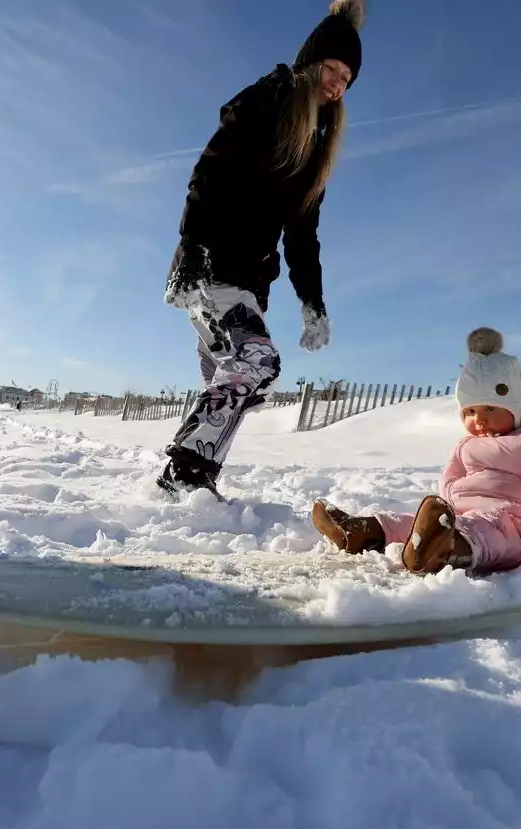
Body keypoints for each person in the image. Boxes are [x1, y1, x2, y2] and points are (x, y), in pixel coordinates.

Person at [156, 0, 365, 499]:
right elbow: (208, 175)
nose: (337, 83)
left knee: (236, 382)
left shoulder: (316, 149)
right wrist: (192, 252)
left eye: (347, 78)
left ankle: (191, 489)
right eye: (332, 68)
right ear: (310, 63)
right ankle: (182, 478)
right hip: (210, 264)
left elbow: (302, 236)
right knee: (256, 361)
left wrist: (312, 303)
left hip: (249, 281)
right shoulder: (267, 101)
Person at [310, 327, 521, 576]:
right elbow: (451, 482)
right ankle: (364, 531)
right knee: (412, 524)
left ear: (518, 405)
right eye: (471, 411)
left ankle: (441, 549)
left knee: (484, 529)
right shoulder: (467, 445)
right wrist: (447, 507)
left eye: (490, 408)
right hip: (469, 515)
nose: (480, 419)